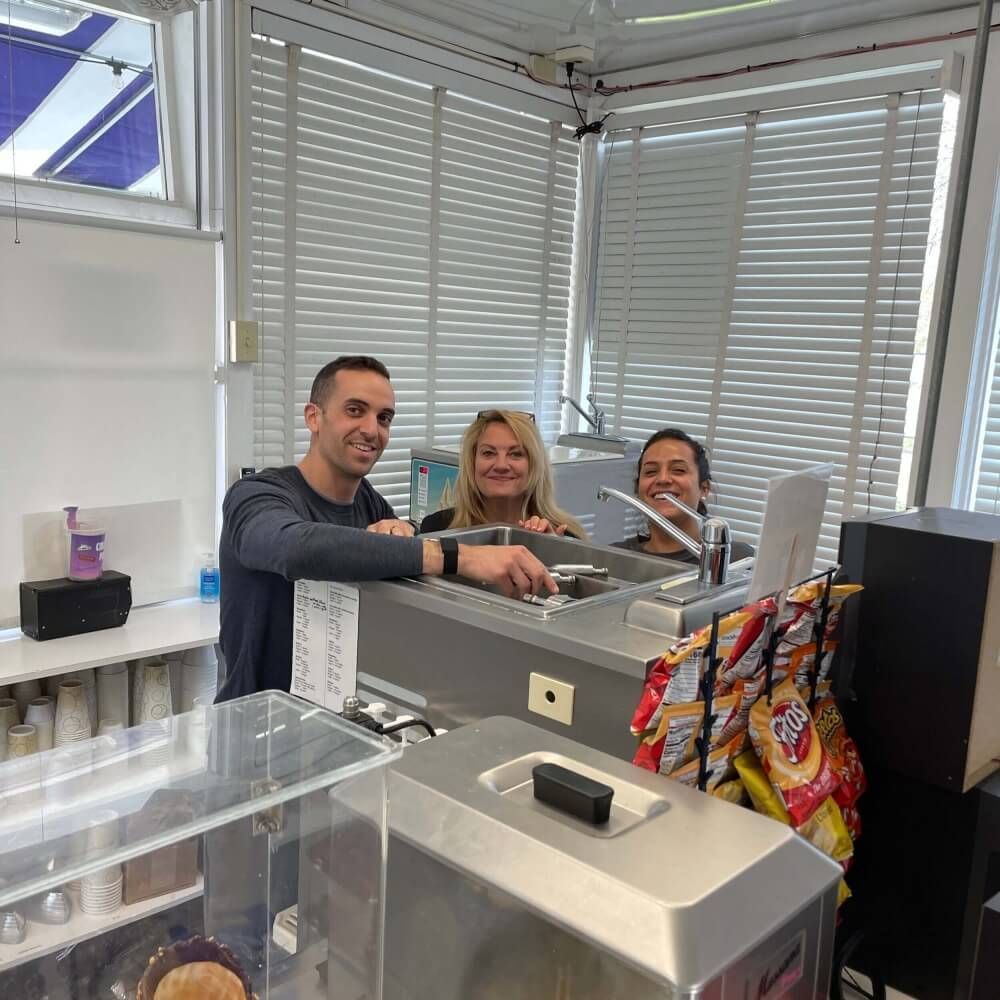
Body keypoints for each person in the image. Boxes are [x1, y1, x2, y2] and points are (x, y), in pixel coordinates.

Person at [216, 357, 557, 700]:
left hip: (341, 723)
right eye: (354, 410)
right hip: (256, 726)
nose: (371, 429)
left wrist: (405, 530)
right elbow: (293, 548)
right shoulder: (257, 495)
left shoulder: (371, 504)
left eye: (383, 418)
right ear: (313, 417)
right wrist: (456, 556)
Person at [418, 409, 587, 539]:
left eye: (516, 454)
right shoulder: (437, 527)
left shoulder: (565, 536)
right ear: (472, 463)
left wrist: (551, 552)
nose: (501, 465)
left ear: (534, 465)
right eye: (488, 453)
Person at [613, 428, 754, 563]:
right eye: (650, 472)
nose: (663, 479)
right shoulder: (614, 557)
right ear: (638, 489)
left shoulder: (738, 559)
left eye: (678, 470)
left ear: (704, 489)